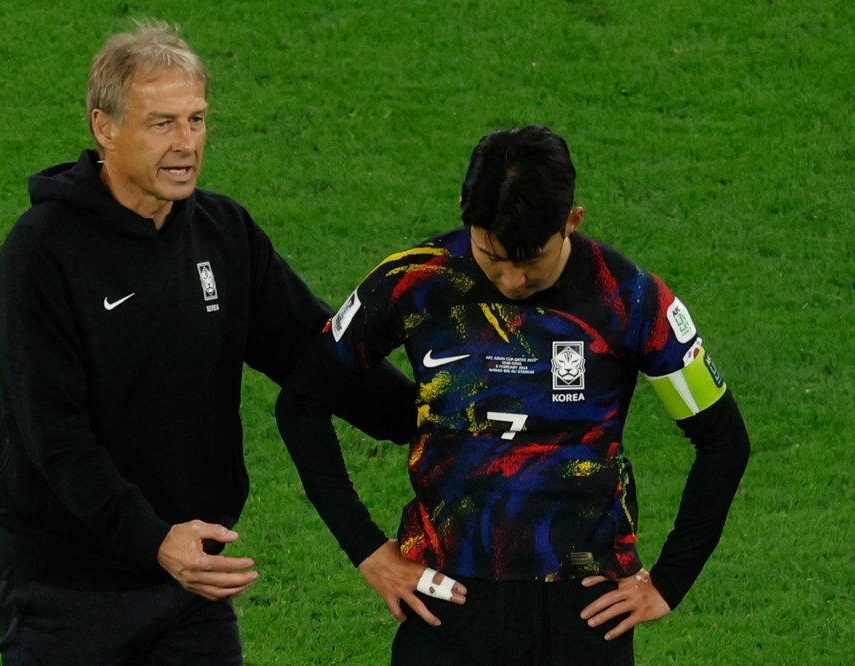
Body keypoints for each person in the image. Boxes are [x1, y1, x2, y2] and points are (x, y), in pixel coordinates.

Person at [0, 21, 416, 666]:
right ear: (105, 128)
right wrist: (153, 538)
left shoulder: (223, 232)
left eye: (197, 120)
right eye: (162, 124)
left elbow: (314, 352)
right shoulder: (42, 252)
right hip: (68, 595)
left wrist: (436, 418)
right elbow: (54, 433)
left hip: (192, 585)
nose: (186, 144)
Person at [275, 125, 750, 665]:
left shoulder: (630, 299)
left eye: (530, 259)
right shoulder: (415, 280)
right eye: (492, 256)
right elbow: (302, 403)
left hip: (583, 612)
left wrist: (668, 582)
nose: (511, 280)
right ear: (467, 218)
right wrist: (366, 549)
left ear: (572, 221)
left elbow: (723, 441)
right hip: (447, 604)